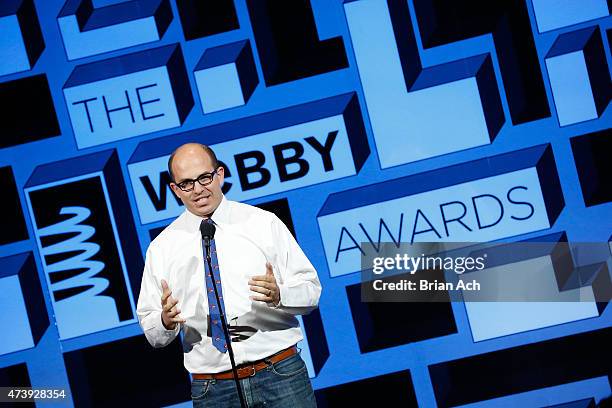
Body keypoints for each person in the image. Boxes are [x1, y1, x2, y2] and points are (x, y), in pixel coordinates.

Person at [136, 143, 321, 407]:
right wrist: (165, 320)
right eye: (187, 184)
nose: (198, 189)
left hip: (280, 374)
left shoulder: (262, 223)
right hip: (213, 389)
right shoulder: (162, 248)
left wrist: (280, 294)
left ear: (219, 174)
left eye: (204, 177)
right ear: (175, 190)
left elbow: (311, 292)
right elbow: (152, 332)